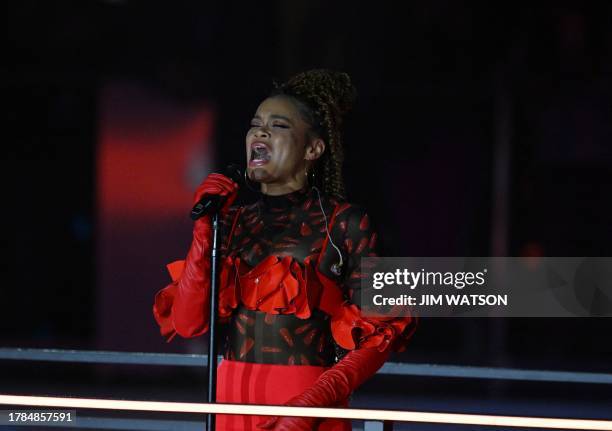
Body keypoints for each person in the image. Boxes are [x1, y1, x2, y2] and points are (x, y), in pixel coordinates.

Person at [153, 69, 416, 431]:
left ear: (313, 149)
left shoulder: (345, 222)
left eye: (278, 125)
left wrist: (311, 406)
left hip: (307, 405)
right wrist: (203, 231)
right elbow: (187, 323)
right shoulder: (229, 222)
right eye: (255, 123)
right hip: (232, 399)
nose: (260, 132)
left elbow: (381, 337)